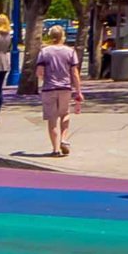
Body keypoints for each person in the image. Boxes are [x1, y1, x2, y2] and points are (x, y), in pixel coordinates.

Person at [35, 24, 83, 157]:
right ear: (63, 36)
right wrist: (78, 91)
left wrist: (44, 78)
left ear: (51, 37)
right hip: (65, 87)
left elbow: (39, 72)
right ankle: (63, 139)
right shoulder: (70, 52)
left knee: (52, 119)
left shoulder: (44, 52)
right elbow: (74, 73)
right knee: (65, 113)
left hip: (49, 88)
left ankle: (55, 149)